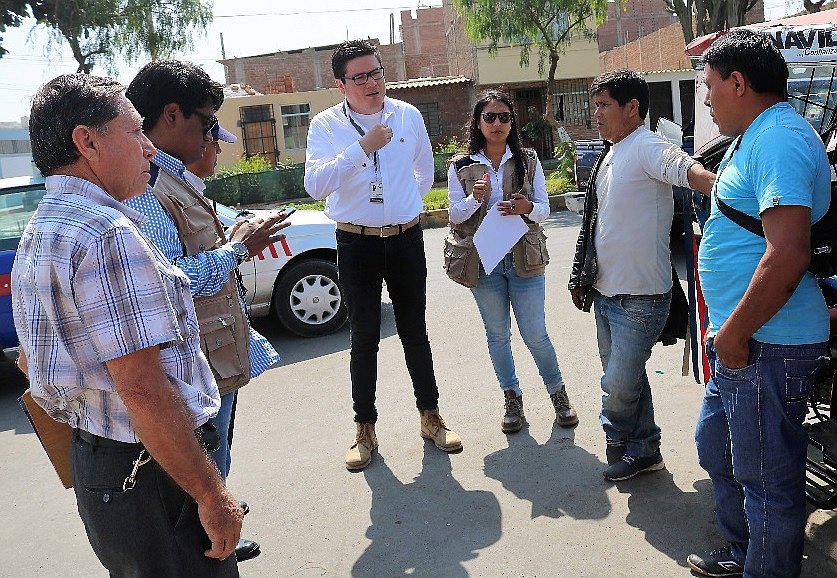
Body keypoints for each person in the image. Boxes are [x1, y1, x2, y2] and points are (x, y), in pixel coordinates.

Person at [12, 73, 242, 576]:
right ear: (87, 141)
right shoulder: (106, 233)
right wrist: (210, 493)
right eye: (136, 131)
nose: (149, 150)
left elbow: (32, 361)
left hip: (103, 471)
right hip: (151, 474)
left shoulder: (44, 224)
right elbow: (142, 390)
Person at [124, 60, 285, 562]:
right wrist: (238, 249)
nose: (211, 134)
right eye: (206, 120)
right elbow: (176, 280)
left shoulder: (172, 179)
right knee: (204, 462)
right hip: (192, 360)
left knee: (217, 455)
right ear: (172, 115)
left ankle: (218, 528)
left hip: (211, 350)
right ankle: (214, 543)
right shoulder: (149, 187)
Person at [687, 30, 831, 578]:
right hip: (742, 338)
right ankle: (746, 552)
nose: (706, 97)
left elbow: (788, 252)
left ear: (738, 83)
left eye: (709, 85)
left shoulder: (778, 139)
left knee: (769, 483)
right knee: (717, 450)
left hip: (769, 341)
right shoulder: (755, 134)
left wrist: (736, 333)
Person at [304, 39, 462, 472]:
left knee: (415, 329)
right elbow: (315, 186)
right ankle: (365, 428)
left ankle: (430, 416)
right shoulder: (326, 127)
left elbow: (424, 171)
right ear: (341, 84)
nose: (373, 82)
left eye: (377, 72)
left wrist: (401, 202)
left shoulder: (407, 115)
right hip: (356, 242)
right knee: (365, 338)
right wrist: (362, 148)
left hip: (406, 238)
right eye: (361, 77)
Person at [568, 70, 715, 482]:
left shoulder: (648, 145)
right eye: (594, 105)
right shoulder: (612, 153)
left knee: (617, 384)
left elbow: (685, 168)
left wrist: (722, 187)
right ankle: (646, 450)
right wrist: (583, 277)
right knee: (630, 378)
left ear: (633, 108)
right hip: (605, 294)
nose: (596, 114)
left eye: (603, 105)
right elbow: (596, 226)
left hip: (642, 298)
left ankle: (618, 438)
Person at [445, 90, 578, 433]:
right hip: (484, 262)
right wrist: (475, 199)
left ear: (511, 122)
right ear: (478, 122)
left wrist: (526, 208)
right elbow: (454, 215)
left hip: (525, 259)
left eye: (504, 117)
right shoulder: (460, 166)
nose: (497, 124)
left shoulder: (528, 160)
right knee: (498, 335)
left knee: (535, 334)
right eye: (489, 117)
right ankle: (512, 398)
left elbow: (545, 209)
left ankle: (558, 394)